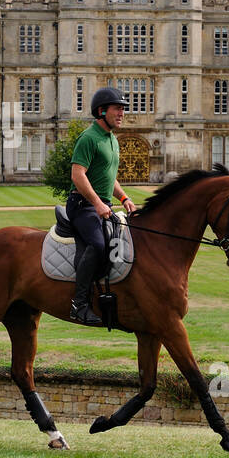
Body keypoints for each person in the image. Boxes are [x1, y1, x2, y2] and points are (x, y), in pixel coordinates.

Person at [67, 86, 137, 326]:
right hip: (81, 206)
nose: (122, 113)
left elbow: (108, 177)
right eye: (117, 108)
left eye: (122, 109)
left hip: (102, 204)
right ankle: (79, 305)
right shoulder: (88, 138)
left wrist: (124, 198)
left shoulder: (112, 140)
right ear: (101, 111)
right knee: (98, 244)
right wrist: (96, 203)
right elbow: (78, 175)